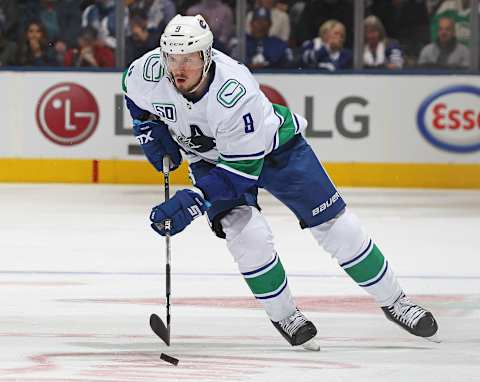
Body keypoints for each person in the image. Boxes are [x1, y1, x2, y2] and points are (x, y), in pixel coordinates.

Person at [123, 14, 439, 349]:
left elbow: (237, 175)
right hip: (211, 160)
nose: (178, 68)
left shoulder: (234, 91)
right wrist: (145, 127)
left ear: (207, 56)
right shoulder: (149, 72)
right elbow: (132, 93)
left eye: (188, 58)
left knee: (341, 228)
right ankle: (285, 315)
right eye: (172, 57)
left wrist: (193, 200)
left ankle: (396, 301)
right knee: (248, 237)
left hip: (277, 150)